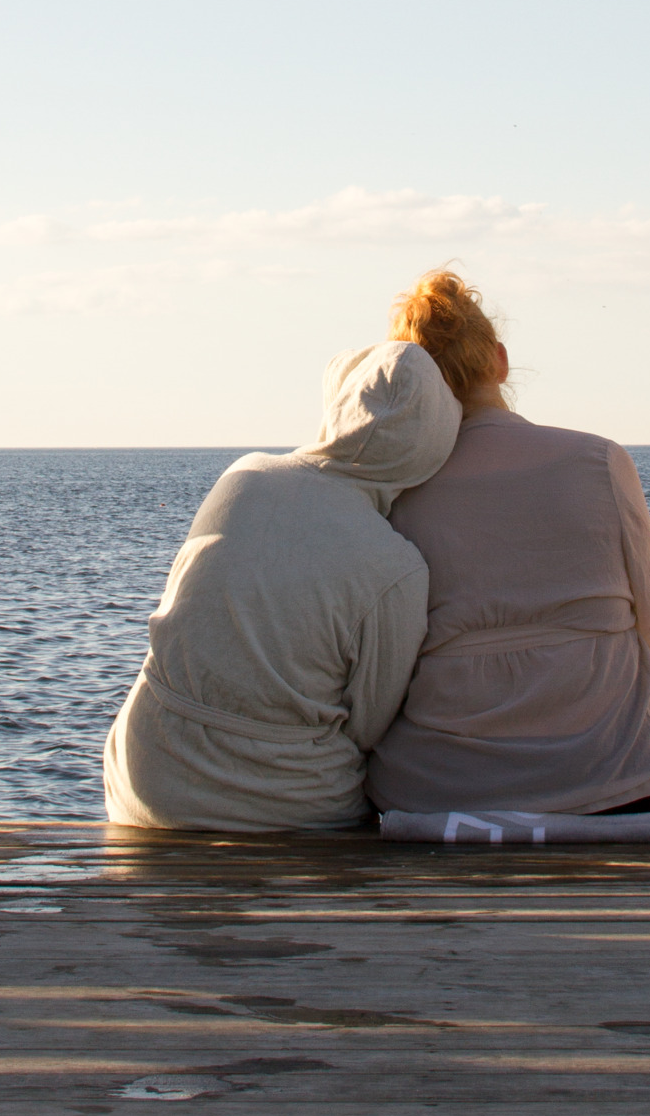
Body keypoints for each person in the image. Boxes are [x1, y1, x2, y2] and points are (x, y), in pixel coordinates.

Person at [366, 271, 650, 817]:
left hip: (443, 785)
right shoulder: (599, 459)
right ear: (499, 360)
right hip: (622, 772)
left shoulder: (397, 488)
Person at [103, 341, 461, 831]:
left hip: (145, 780)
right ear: (432, 447)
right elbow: (368, 725)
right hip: (286, 808)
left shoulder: (244, 475)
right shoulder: (398, 569)